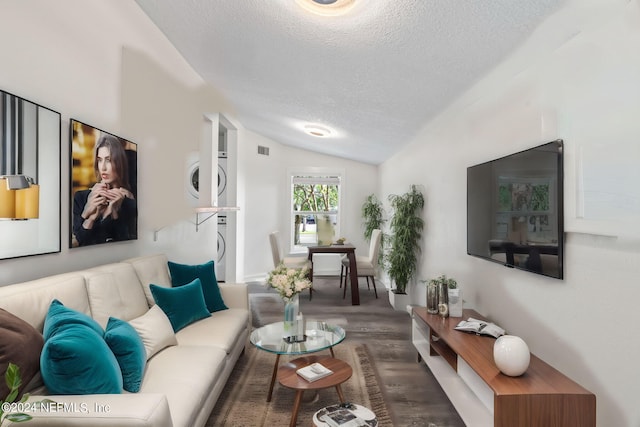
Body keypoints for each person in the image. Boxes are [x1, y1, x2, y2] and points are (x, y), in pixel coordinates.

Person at [72, 134, 137, 246]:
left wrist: (114, 213)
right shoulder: (81, 197)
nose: (103, 168)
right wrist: (88, 214)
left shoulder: (129, 202)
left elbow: (128, 245)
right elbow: (79, 242)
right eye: (99, 160)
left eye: (109, 160)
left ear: (119, 163)